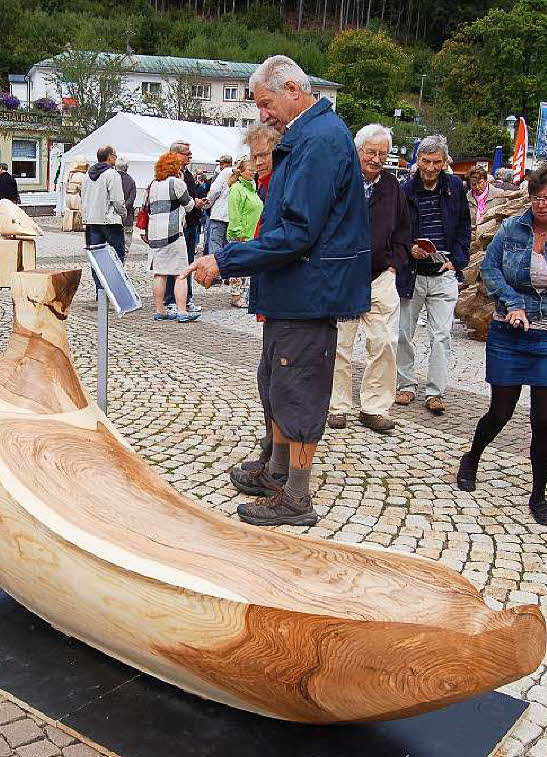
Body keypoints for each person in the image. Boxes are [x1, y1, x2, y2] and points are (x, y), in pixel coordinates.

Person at [184, 54, 371, 528]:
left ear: (292, 88)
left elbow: (297, 232)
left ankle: (296, 497)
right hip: (294, 291)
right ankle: (275, 470)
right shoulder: (306, 137)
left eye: (266, 104)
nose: (263, 115)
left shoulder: (322, 141)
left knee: (299, 390)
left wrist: (225, 259)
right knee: (277, 383)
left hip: (309, 292)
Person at [457, 163, 547, 526]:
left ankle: (538, 494)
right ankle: (472, 456)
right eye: (537, 198)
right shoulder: (513, 227)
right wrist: (513, 302)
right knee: (501, 412)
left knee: (544, 418)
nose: (542, 205)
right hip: (511, 333)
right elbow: (489, 271)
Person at [329, 124, 410, 433]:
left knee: (386, 342)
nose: (377, 159)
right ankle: (337, 405)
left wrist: (394, 265)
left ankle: (374, 407)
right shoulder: (341, 180)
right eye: (371, 152)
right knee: (339, 344)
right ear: (357, 150)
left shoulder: (392, 187)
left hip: (380, 276)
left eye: (383, 154)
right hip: (344, 275)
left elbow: (404, 229)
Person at [396, 135, 472, 415]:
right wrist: (408, 249)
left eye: (436, 162)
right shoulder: (405, 189)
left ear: (444, 162)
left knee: (441, 335)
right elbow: (397, 228)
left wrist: (458, 262)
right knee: (404, 332)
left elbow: (464, 226)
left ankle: (435, 392)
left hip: (443, 271)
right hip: (412, 272)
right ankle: (405, 384)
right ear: (417, 160)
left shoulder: (454, 186)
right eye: (425, 162)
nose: (430, 168)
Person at [145, 152, 199, 323]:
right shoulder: (177, 183)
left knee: (159, 273)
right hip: (173, 234)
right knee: (180, 273)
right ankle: (182, 311)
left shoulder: (153, 184)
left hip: (155, 233)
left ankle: (160, 309)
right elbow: (189, 206)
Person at [163, 141, 205, 313]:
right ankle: (171, 299)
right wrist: (194, 202)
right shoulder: (169, 175)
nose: (190, 156)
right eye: (186, 153)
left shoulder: (186, 174)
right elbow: (180, 199)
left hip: (191, 222)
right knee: (174, 264)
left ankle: (186, 298)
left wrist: (199, 200)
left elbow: (191, 196)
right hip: (177, 225)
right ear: (175, 155)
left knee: (187, 263)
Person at [81, 145, 127, 288]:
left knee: (96, 258)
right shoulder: (112, 174)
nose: (116, 157)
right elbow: (117, 200)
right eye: (115, 155)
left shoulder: (87, 176)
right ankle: (114, 289)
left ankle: (99, 290)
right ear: (109, 157)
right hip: (110, 221)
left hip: (92, 221)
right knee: (117, 256)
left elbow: (82, 196)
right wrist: (123, 214)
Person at [224, 155, 263, 308]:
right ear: (241, 171)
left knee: (248, 268)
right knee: (238, 267)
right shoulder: (237, 189)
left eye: (254, 169)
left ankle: (246, 295)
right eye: (250, 169)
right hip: (241, 235)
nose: (253, 172)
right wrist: (238, 232)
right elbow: (234, 213)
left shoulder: (252, 188)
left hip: (253, 233)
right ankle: (235, 295)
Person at [206, 154, 234, 255]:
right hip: (231, 215)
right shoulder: (237, 173)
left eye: (222, 163)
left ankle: (215, 269)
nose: (221, 166)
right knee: (227, 245)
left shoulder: (224, 173)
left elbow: (214, 190)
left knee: (215, 244)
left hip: (219, 214)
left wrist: (207, 204)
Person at [116, 157, 137, 254]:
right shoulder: (131, 181)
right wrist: (123, 208)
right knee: (125, 247)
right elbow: (131, 199)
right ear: (127, 167)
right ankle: (121, 266)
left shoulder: (110, 178)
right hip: (127, 218)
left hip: (112, 218)